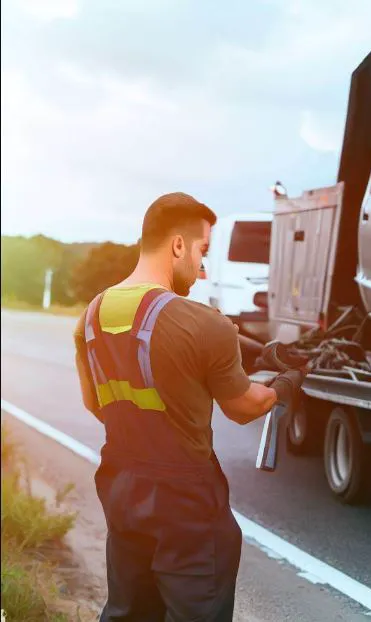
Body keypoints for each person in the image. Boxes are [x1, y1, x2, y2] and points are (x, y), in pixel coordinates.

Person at [73, 192, 306, 621]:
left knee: (129, 611)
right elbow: (243, 407)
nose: (202, 270)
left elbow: (97, 404)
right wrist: (287, 385)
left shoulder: (92, 315)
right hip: (186, 501)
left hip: (122, 486)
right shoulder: (204, 322)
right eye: (202, 252)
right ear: (178, 245)